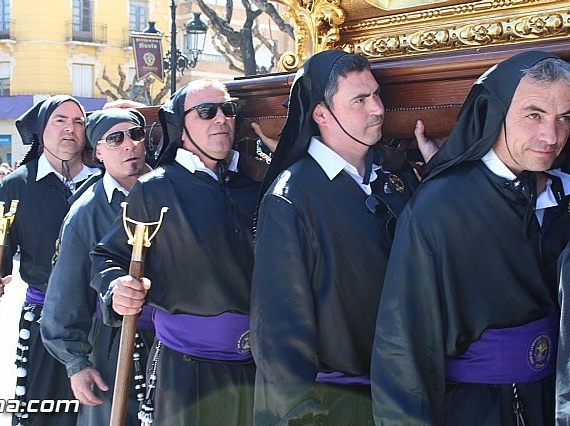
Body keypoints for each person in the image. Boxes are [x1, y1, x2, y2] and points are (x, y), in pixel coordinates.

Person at [370, 51, 570, 425]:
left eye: (564, 118)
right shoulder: (438, 207)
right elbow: (404, 347)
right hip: (478, 410)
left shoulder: (556, 193)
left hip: (550, 399)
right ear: (495, 115)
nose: (551, 135)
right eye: (534, 115)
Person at [250, 50, 439, 425]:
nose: (378, 108)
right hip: (337, 405)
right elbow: (279, 321)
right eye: (360, 99)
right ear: (321, 114)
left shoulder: (392, 180)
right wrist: (294, 409)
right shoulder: (291, 198)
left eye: (377, 94)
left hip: (406, 394)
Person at [90, 78, 261, 426]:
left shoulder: (252, 185)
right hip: (186, 372)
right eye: (205, 111)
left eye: (228, 110)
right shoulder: (155, 189)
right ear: (180, 128)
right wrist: (116, 288)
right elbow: (108, 257)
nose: (221, 119)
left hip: (256, 368)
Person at [0, 95, 99, 426]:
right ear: (41, 129)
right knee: (45, 414)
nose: (71, 129)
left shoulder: (102, 181)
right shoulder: (17, 185)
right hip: (45, 321)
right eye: (60, 120)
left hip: (102, 320)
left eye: (78, 122)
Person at [41, 107, 154, 425]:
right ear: (99, 152)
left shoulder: (172, 190)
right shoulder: (85, 214)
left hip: (174, 344)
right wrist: (75, 363)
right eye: (115, 139)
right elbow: (64, 295)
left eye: (135, 134)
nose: (129, 145)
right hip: (114, 347)